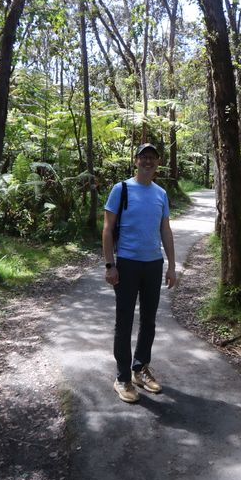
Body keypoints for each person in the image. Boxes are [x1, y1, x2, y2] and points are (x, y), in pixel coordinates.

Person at [102, 142, 177, 403]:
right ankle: (122, 377)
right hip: (127, 263)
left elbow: (165, 230)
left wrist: (172, 266)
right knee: (123, 322)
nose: (148, 161)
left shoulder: (161, 194)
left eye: (152, 158)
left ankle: (139, 368)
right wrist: (110, 265)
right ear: (136, 161)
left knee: (149, 320)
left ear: (157, 163)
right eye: (143, 157)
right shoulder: (120, 189)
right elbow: (108, 229)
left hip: (153, 264)